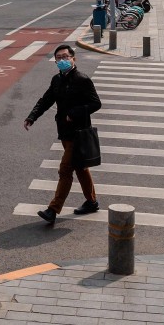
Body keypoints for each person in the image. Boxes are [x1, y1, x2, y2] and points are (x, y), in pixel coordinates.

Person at [24, 44, 102, 223]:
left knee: (65, 170)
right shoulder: (57, 80)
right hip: (64, 132)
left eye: (65, 57)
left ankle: (53, 209)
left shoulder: (82, 79)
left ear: (73, 59)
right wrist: (32, 117)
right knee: (81, 168)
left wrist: (74, 113)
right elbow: (46, 100)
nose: (62, 60)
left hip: (78, 132)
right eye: (58, 58)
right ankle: (91, 201)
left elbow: (96, 103)